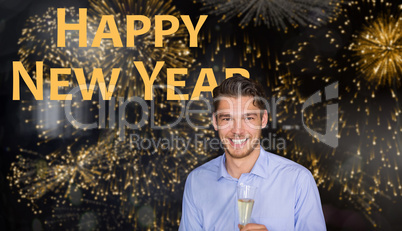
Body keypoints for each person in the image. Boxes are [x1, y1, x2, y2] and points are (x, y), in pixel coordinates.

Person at [179, 75, 326, 231]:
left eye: (248, 118)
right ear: (215, 122)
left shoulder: (298, 180)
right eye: (227, 118)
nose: (237, 131)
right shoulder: (196, 182)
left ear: (263, 120)